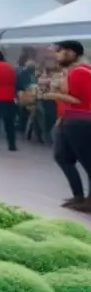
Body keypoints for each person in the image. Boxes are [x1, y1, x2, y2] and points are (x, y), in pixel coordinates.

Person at [44, 40, 91, 211]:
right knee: (61, 156)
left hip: (81, 120)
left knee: (87, 161)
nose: (56, 55)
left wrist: (53, 94)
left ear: (71, 53)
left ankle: (87, 201)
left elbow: (80, 101)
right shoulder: (72, 71)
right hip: (69, 119)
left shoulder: (79, 72)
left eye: (59, 51)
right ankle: (78, 196)